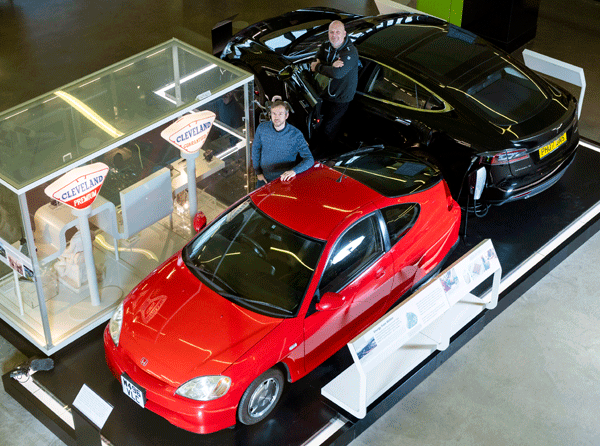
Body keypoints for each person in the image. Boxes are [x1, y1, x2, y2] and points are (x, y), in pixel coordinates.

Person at [310, 20, 359, 152]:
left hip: (340, 98)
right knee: (317, 124)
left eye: (338, 32)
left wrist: (320, 66)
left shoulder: (350, 52)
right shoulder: (326, 45)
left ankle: (324, 155)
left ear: (344, 34)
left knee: (329, 128)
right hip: (324, 94)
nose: (334, 35)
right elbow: (314, 62)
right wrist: (330, 66)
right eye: (331, 32)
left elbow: (337, 73)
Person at [251, 100, 314, 187]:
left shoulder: (296, 135)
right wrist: (258, 172)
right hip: (264, 178)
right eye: (274, 113)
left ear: (286, 115)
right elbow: (255, 149)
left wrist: (294, 171)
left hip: (284, 181)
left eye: (280, 114)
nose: (276, 117)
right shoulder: (262, 128)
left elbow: (309, 159)